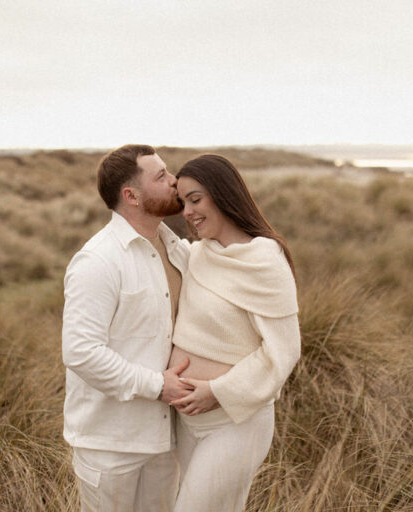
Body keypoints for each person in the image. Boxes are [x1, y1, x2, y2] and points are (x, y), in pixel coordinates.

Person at [62, 144, 194, 511]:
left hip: (164, 439)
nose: (175, 181)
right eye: (161, 176)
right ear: (131, 196)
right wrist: (156, 385)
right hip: (111, 443)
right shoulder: (98, 260)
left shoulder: (176, 247)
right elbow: (81, 352)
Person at [167, 154, 300, 512]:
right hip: (186, 419)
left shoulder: (264, 261)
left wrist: (218, 391)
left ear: (224, 194)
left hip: (236, 420)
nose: (188, 212)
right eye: (181, 203)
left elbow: (283, 351)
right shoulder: (197, 255)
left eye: (196, 199)